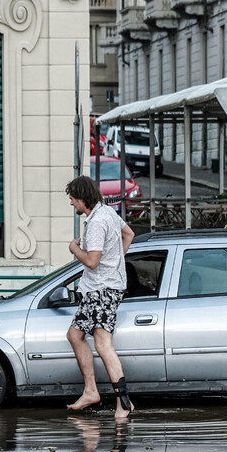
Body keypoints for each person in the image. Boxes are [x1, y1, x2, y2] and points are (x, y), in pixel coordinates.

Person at [65, 175, 136, 419]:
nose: (72, 204)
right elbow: (129, 234)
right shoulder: (108, 212)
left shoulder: (95, 223)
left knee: (103, 344)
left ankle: (123, 403)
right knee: (75, 335)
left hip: (101, 290)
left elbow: (92, 262)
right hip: (103, 287)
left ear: (83, 200)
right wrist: (115, 261)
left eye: (73, 200)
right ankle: (91, 390)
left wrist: (74, 249)